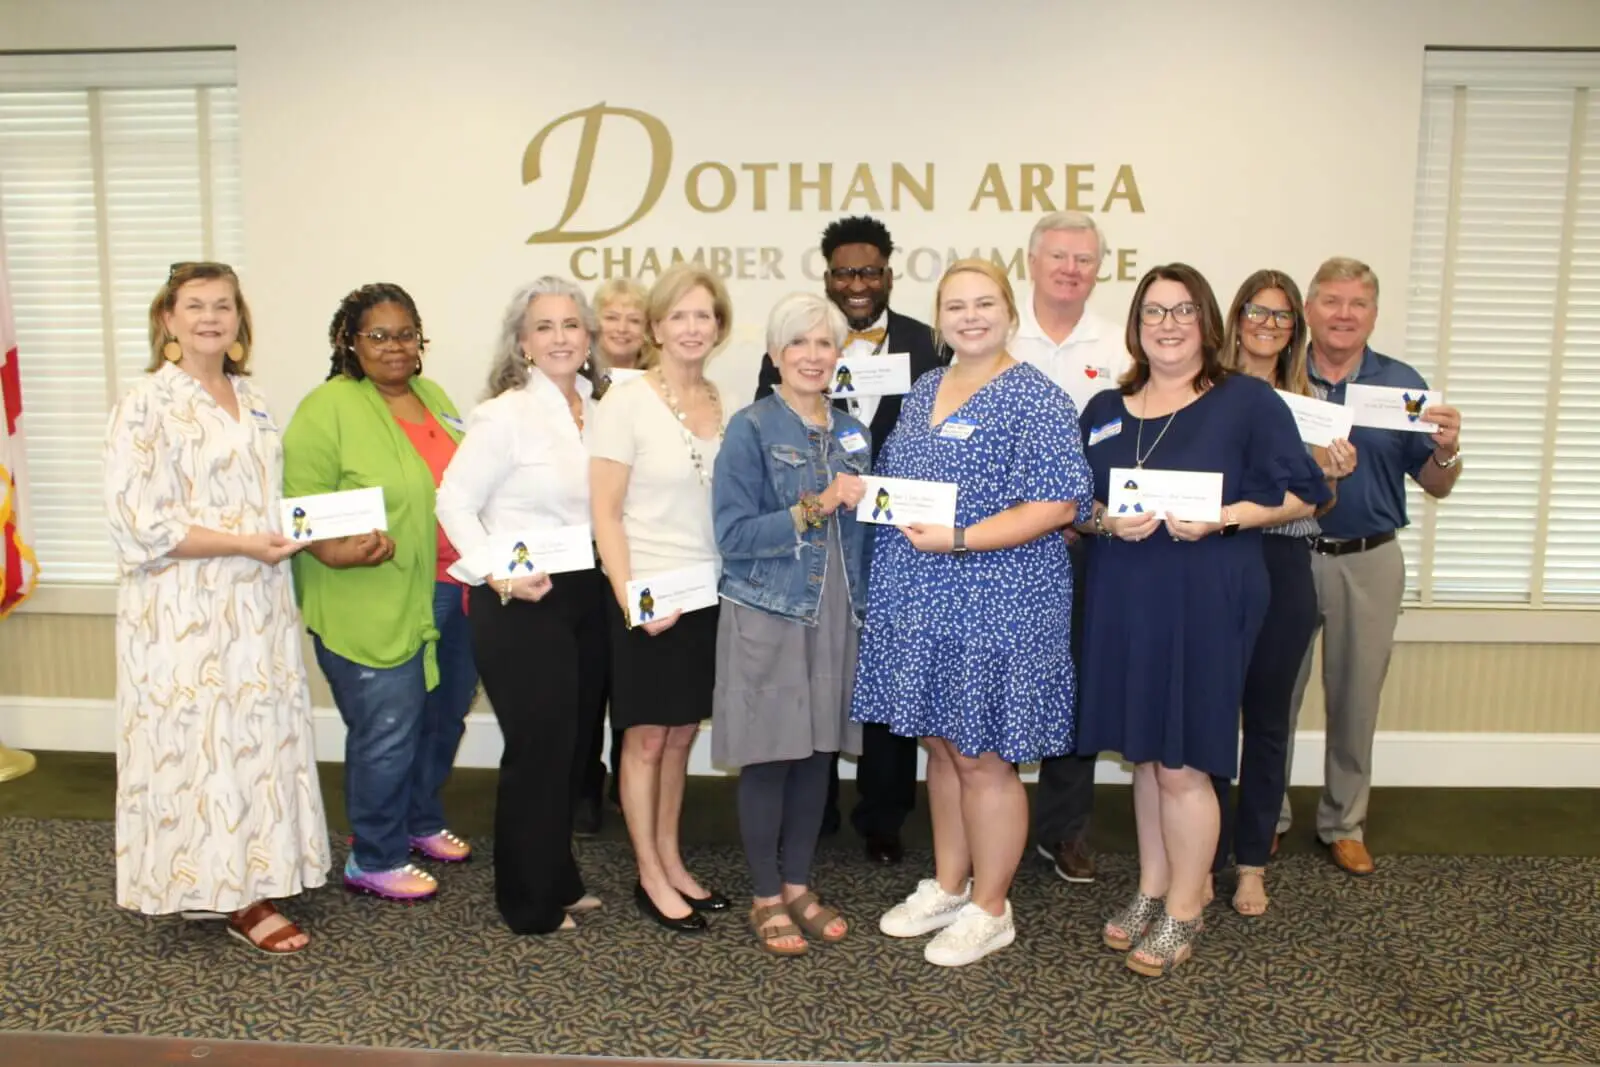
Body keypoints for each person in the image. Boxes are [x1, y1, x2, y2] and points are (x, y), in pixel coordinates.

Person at [1074, 264, 1328, 977]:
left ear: (1208, 322)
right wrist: (1102, 520)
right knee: (1149, 754)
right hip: (1126, 593)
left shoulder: (1245, 401)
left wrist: (1223, 517)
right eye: (1154, 311)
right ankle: (1152, 886)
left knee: (1184, 759)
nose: (1168, 324)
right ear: (1135, 324)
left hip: (1208, 592)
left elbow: (1304, 494)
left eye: (1184, 310)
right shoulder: (1104, 407)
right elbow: (1076, 504)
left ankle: (1187, 903)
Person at [854, 259, 1093, 967]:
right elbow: (899, 484)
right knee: (941, 744)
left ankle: (992, 906)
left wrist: (960, 537)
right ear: (939, 317)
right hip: (922, 593)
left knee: (984, 756)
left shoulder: (1035, 396)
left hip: (1002, 596)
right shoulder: (928, 385)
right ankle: (950, 885)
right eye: (955, 305)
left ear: (1009, 311)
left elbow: (1058, 503)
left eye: (984, 302)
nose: (970, 315)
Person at [105, 262, 327, 954]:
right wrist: (240, 542)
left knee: (251, 741)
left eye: (223, 306)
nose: (210, 317)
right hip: (182, 607)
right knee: (196, 745)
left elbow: (265, 498)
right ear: (167, 319)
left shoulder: (251, 397)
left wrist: (308, 529)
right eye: (194, 305)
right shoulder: (144, 402)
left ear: (239, 320)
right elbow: (135, 522)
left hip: (254, 603)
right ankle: (234, 895)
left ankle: (232, 879)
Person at [754, 215, 947, 865]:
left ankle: (884, 813)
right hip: (816, 532)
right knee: (814, 668)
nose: (857, 283)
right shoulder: (797, 347)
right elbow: (766, 434)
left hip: (898, 536)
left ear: (890, 274)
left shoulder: (928, 345)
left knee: (885, 669)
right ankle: (817, 808)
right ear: (827, 275)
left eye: (869, 271)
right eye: (844, 271)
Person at [282, 283, 479, 903]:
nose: (395, 347)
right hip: (368, 595)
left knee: (441, 719)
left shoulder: (434, 396)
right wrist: (334, 550)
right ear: (349, 341)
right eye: (379, 335)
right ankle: (373, 855)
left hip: (454, 590)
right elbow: (301, 513)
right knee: (388, 728)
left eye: (406, 334)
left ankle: (418, 822)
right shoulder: (326, 409)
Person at [1279, 257, 1463, 876]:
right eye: (1331, 301)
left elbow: (1436, 485)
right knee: (1274, 694)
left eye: (1357, 304)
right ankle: (1267, 816)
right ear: (1308, 310)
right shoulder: (1280, 379)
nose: (1343, 315)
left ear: (1374, 315)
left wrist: (1448, 450)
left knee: (1357, 698)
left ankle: (1343, 822)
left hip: (1371, 559)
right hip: (1288, 555)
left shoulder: (1401, 385)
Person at [436, 278, 609, 934]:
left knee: (571, 751)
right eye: (545, 326)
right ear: (522, 343)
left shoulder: (603, 405)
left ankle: (556, 875)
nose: (561, 336)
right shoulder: (503, 414)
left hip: (586, 591)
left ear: (587, 336)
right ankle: (526, 901)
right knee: (537, 751)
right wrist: (502, 573)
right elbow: (452, 502)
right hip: (520, 598)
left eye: (571, 324)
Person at [712, 292, 870, 955]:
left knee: (817, 754)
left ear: (840, 355)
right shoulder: (750, 428)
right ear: (776, 355)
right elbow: (734, 533)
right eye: (797, 343)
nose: (812, 355)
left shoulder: (854, 430)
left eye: (824, 343)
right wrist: (818, 505)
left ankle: (800, 883)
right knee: (771, 756)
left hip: (838, 609)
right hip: (771, 609)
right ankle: (766, 893)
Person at [590, 263, 733, 933]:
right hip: (647, 595)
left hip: (706, 594)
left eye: (703, 315)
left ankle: (673, 860)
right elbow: (605, 514)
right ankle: (649, 873)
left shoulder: (720, 400)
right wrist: (633, 601)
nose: (691, 327)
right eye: (678, 315)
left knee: (679, 738)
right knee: (644, 741)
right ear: (655, 327)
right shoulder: (625, 400)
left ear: (719, 326)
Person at [1212, 270, 1351, 915]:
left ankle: (1250, 866)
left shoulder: (1312, 401)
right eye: (1257, 313)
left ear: (1295, 329)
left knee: (1269, 722)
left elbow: (1319, 506)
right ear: (1235, 317)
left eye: (1281, 317)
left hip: (1286, 562)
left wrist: (1332, 473)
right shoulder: (1203, 390)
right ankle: (1200, 855)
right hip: (1215, 560)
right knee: (1208, 717)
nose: (1268, 327)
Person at [1010, 210, 1133, 886]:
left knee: (1075, 683)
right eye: (1057, 256)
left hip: (1092, 544)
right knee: (1002, 675)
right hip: (1007, 545)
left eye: (1084, 259)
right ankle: (989, 821)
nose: (1070, 268)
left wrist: (1083, 516)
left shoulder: (1122, 349)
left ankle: (1064, 829)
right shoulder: (994, 337)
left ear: (1098, 269)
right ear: (1030, 261)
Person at [576, 276, 653, 833]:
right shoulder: (567, 385)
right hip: (578, 551)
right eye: (613, 317)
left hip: (641, 551)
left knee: (633, 682)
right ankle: (584, 790)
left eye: (634, 317)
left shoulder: (659, 385)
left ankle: (633, 792)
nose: (623, 328)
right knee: (585, 684)